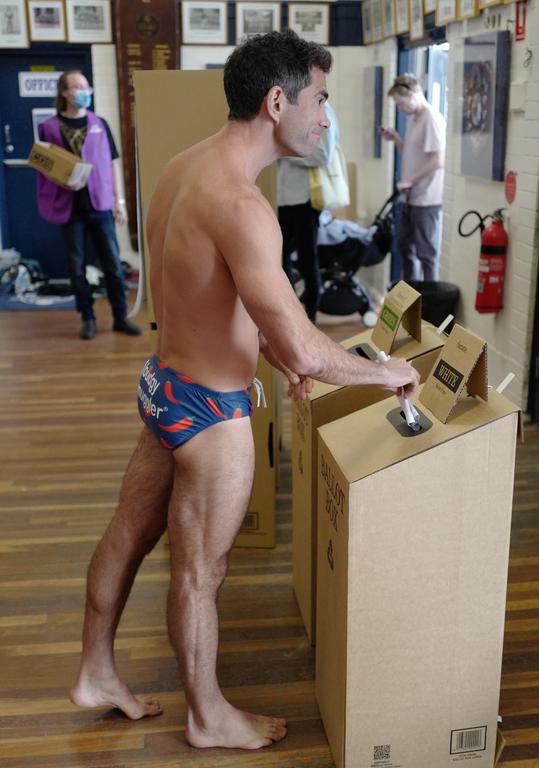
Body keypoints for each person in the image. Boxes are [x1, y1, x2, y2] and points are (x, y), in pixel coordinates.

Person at [68, 30, 419, 752]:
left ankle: (95, 671)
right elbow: (303, 347)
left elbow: (202, 295)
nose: (325, 118)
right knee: (202, 572)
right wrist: (386, 371)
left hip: (165, 388)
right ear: (277, 101)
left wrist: (269, 343)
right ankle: (207, 716)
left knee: (129, 535)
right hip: (210, 417)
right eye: (320, 100)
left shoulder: (181, 168)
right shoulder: (242, 203)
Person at [36, 71, 142, 340]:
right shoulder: (48, 127)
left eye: (86, 87)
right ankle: (88, 317)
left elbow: (112, 163)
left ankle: (120, 317)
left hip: (101, 205)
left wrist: (119, 201)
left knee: (113, 265)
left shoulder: (100, 124)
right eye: (77, 87)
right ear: (64, 93)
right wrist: (60, 179)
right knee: (76, 267)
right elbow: (45, 165)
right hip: (69, 208)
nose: (84, 91)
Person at [277, 101, 343, 322]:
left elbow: (323, 155)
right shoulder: (291, 108)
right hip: (282, 198)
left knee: (308, 260)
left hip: (305, 200)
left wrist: (284, 153)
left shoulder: (325, 112)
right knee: (280, 258)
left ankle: (310, 318)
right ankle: (289, 316)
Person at [381, 74, 446, 282]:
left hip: (427, 198)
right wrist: (397, 139)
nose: (400, 109)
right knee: (404, 246)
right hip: (411, 196)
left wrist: (411, 180)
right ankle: (411, 297)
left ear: (415, 94)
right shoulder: (414, 119)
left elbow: (438, 160)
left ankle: (430, 303)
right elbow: (412, 153)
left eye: (401, 104)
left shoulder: (431, 119)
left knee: (425, 253)